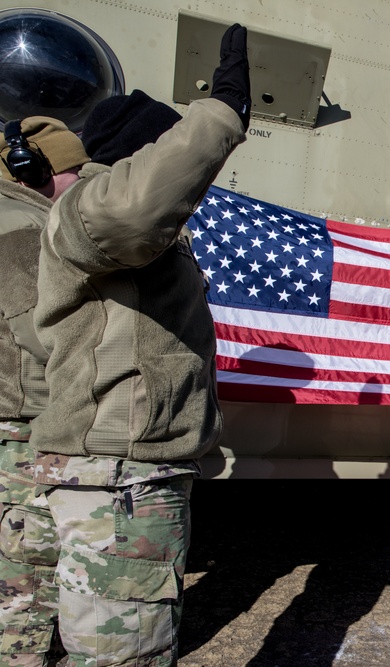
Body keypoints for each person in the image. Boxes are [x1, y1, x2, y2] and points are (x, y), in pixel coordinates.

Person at [27, 24, 251, 666]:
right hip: (120, 476)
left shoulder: (103, 229)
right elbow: (135, 209)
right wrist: (217, 118)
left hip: (125, 471)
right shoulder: (90, 212)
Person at [0, 117, 90, 666]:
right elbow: (37, 326)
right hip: (23, 418)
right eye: (72, 170)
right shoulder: (16, 222)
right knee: (26, 560)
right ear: (36, 171)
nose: (80, 180)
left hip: (23, 412)